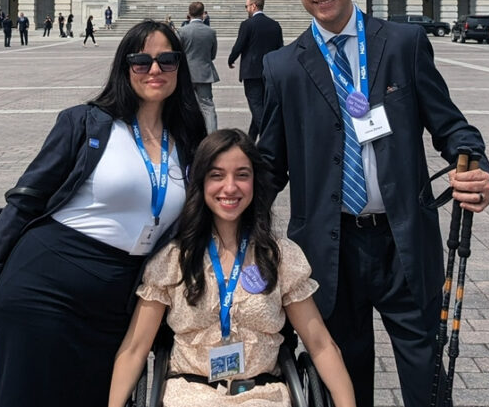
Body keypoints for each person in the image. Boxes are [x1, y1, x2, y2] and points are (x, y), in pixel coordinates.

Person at [257, 0, 489, 407]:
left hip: (403, 239)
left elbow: (451, 127)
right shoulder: (283, 66)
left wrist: (475, 167)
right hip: (329, 247)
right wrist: (225, 206)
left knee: (426, 376)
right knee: (344, 382)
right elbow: (270, 163)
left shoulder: (403, 43)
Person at [0, 20, 207, 407]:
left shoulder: (190, 138)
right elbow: (25, 201)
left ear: (181, 66)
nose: (155, 70)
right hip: (47, 284)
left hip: (117, 299)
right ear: (124, 69)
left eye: (167, 60)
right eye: (141, 61)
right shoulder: (85, 121)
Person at [108, 129, 356, 406]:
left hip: (263, 396)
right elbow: (135, 350)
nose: (230, 187)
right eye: (216, 175)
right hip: (190, 395)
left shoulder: (280, 257)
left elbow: (321, 345)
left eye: (242, 175)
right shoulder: (174, 259)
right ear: (200, 183)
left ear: (255, 182)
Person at [228, 0, 283, 140]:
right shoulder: (274, 24)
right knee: (262, 105)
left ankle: (269, 137)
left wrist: (231, 59)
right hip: (269, 71)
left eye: (246, 6)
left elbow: (239, 45)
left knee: (256, 104)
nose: (246, 9)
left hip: (251, 72)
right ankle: (251, 139)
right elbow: (280, 48)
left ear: (253, 6)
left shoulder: (247, 24)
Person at [177, 1, 220, 134]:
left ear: (189, 14)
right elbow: (212, 54)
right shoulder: (210, 32)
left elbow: (177, 53)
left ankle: (188, 134)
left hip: (186, 74)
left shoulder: (182, 31)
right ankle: (212, 136)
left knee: (185, 105)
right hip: (204, 73)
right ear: (203, 14)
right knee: (208, 107)